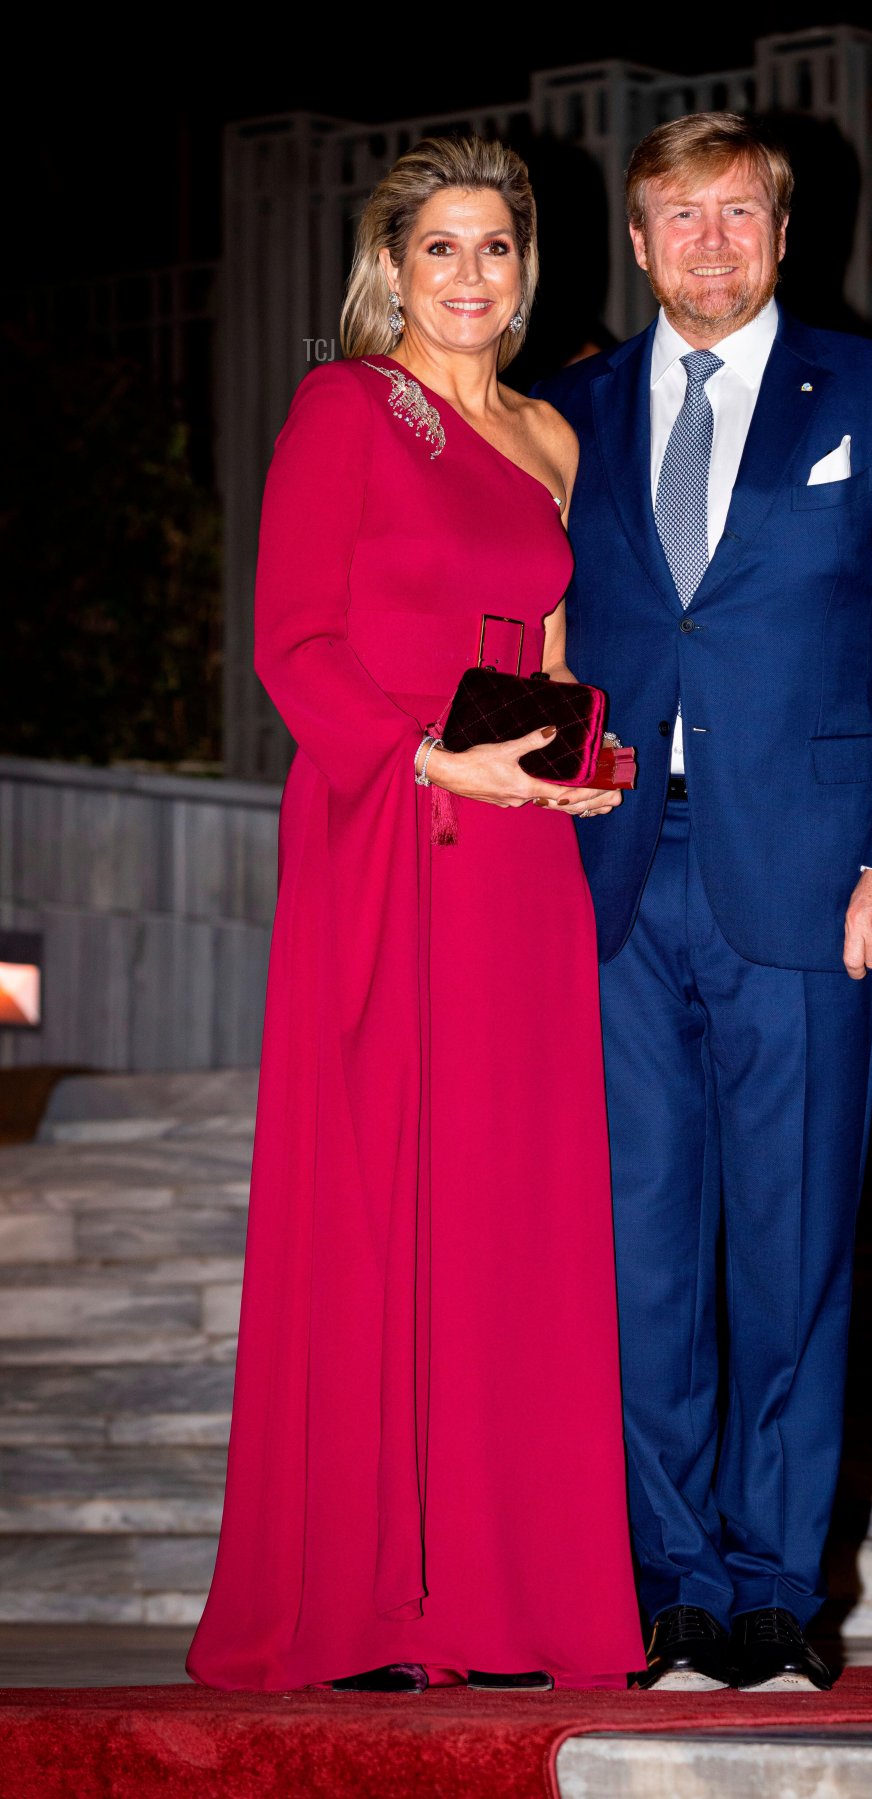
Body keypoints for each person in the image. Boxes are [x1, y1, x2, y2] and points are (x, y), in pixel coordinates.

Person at [187, 136, 644, 1692]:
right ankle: (376, 1599)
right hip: (392, 824)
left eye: (495, 249)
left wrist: (586, 759)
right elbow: (293, 642)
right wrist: (426, 758)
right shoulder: (345, 407)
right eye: (439, 249)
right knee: (389, 1193)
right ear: (392, 264)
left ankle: (506, 1592)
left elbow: (553, 642)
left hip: (522, 859)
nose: (469, 276)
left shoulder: (548, 431)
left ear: (528, 267)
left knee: (515, 1211)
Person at [536, 113, 872, 1691]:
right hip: (605, 879)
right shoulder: (569, 413)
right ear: (640, 242)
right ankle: (668, 1580)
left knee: (789, 1252)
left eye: (740, 214)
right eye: (680, 216)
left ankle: (775, 1585)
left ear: (782, 235)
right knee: (641, 1255)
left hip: (808, 883)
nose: (711, 241)